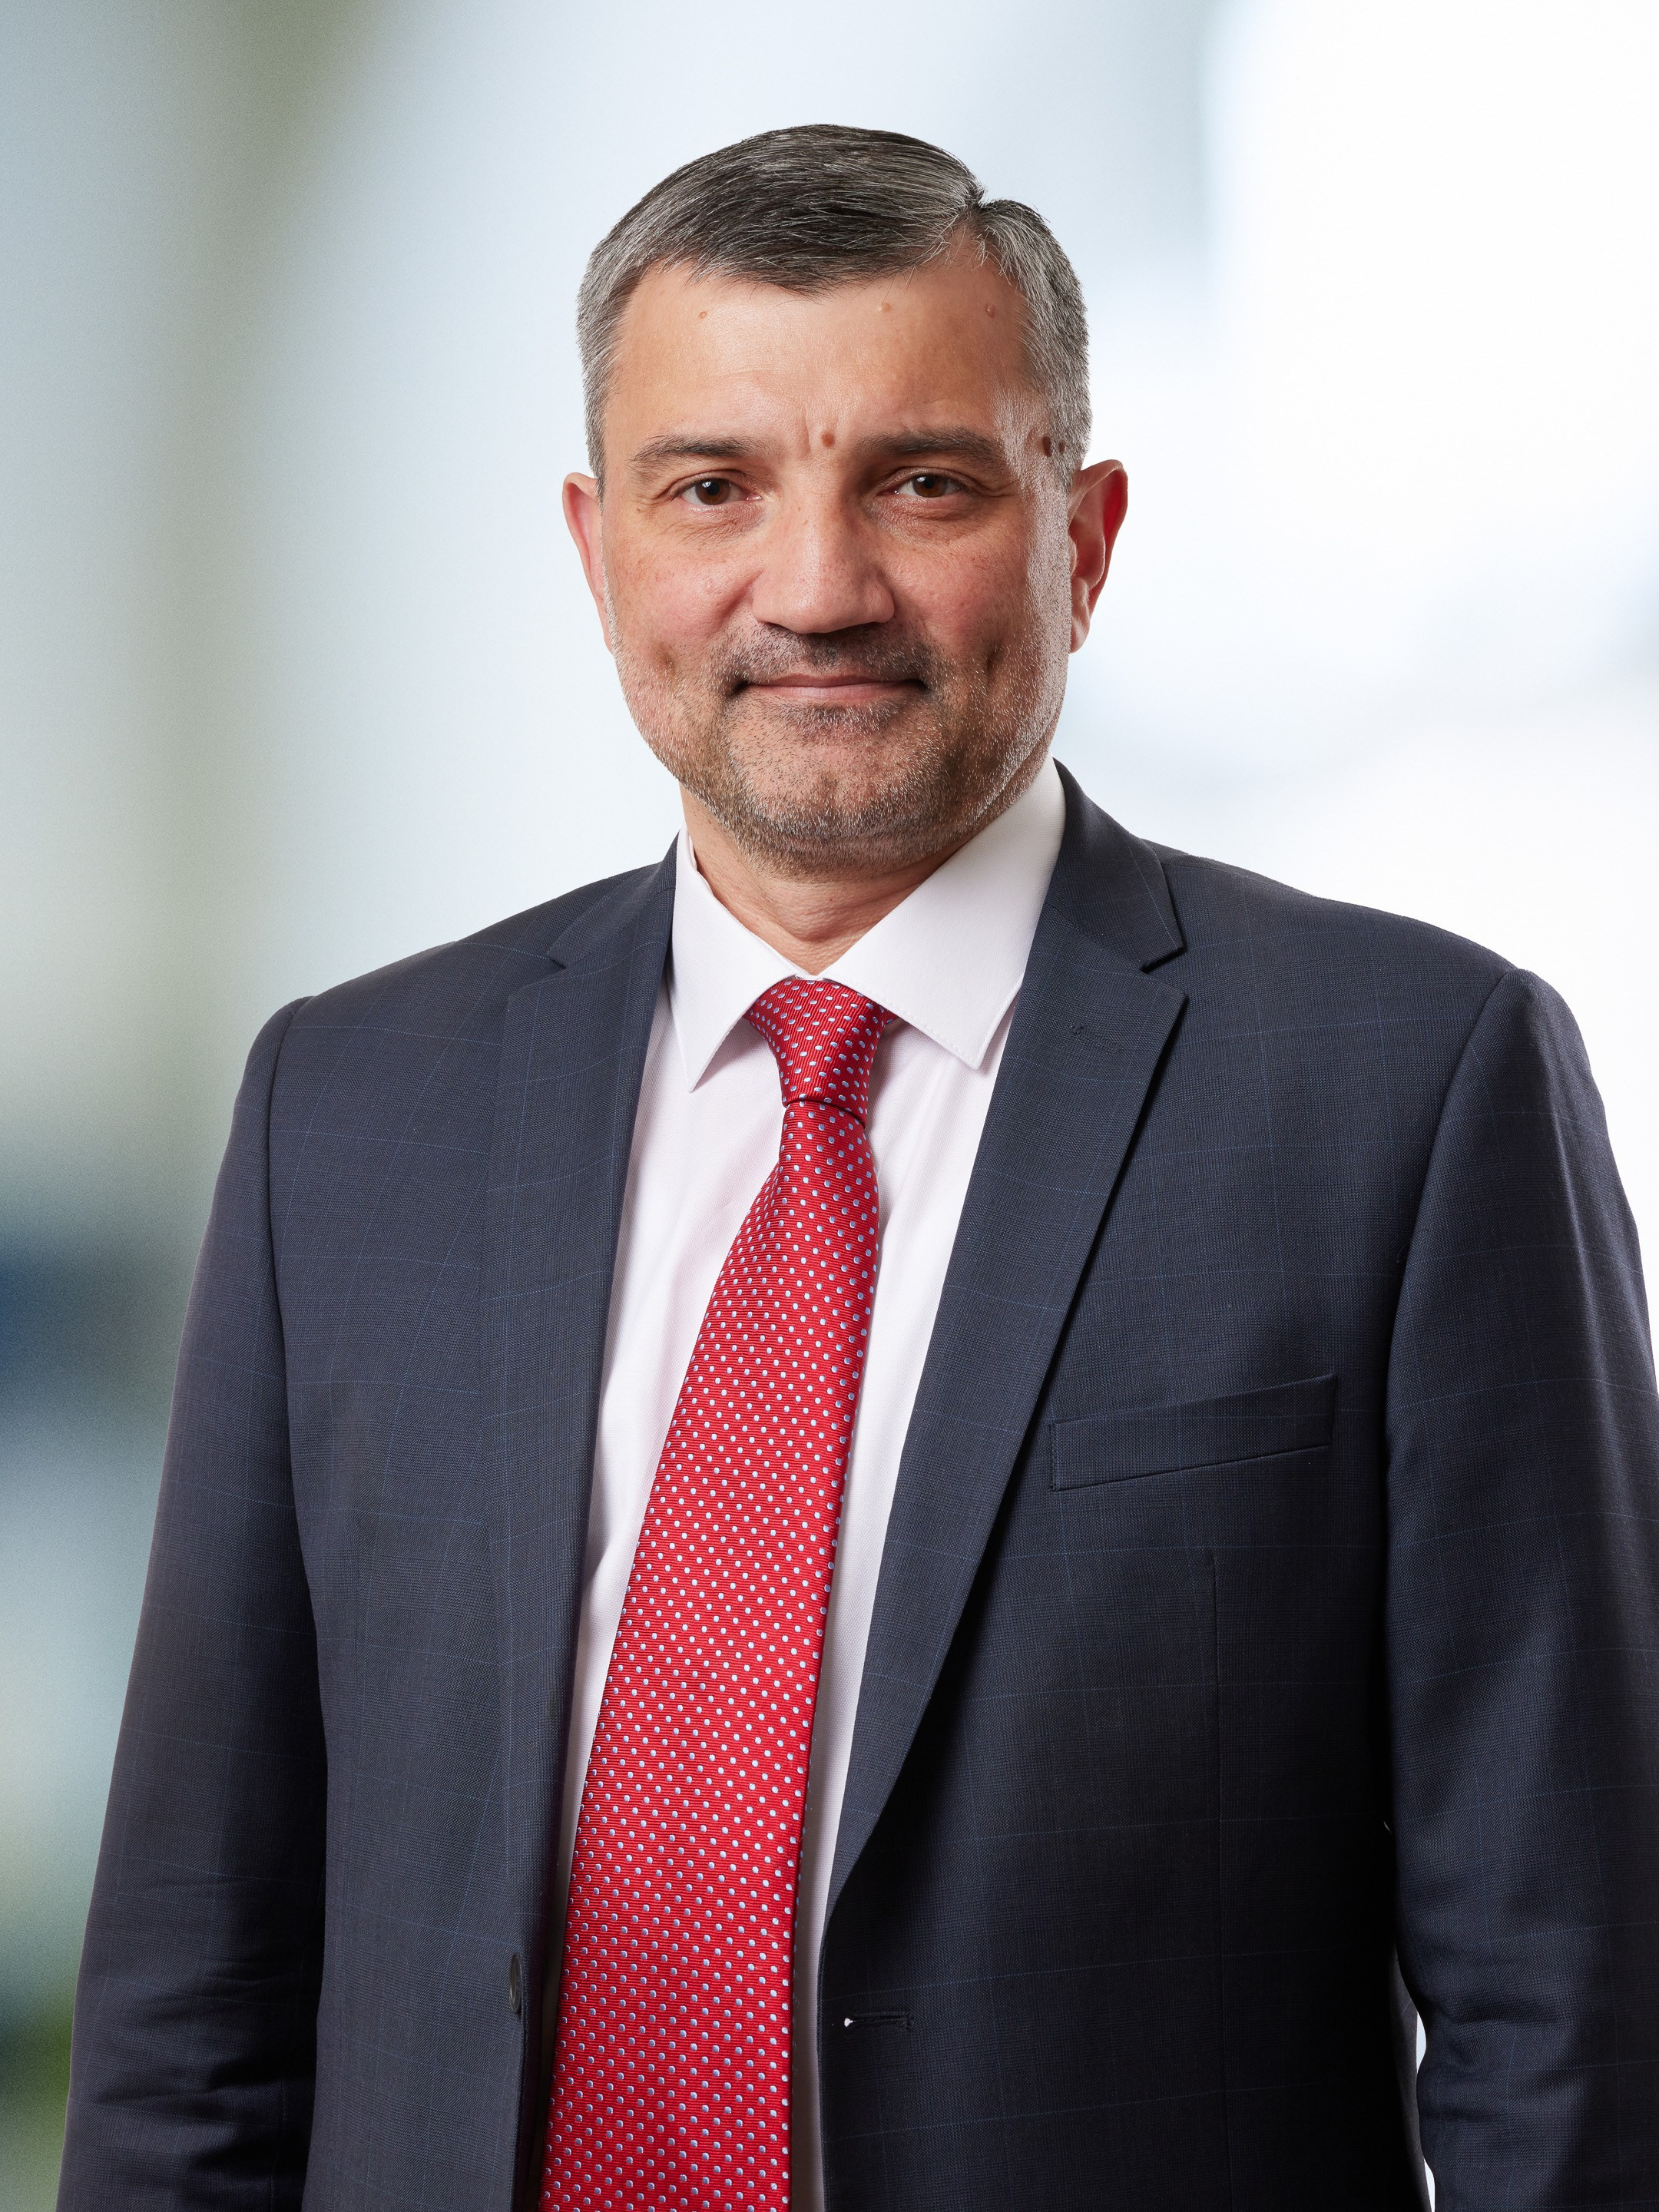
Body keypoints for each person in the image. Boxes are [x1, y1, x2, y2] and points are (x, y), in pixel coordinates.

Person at [58, 124, 1659, 2212]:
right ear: (597, 550)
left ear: (1084, 536)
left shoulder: (1410, 1086)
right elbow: (197, 1998)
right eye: (712, 488)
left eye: (923, 483)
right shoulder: (347, 1109)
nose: (816, 589)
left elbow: (1573, 2003)